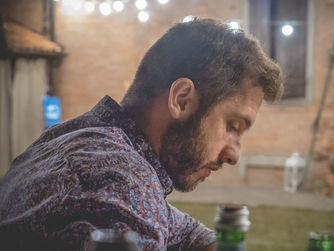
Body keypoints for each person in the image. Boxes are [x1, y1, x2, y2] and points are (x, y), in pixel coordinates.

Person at [0, 18, 283, 250]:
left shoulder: (76, 138)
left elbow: (185, 231)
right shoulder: (119, 177)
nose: (233, 154)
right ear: (182, 99)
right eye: (232, 126)